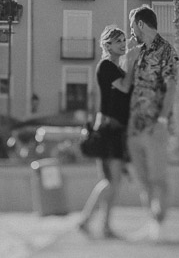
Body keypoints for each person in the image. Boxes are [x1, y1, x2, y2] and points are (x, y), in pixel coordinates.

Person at [76, 25, 133, 238]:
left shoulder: (119, 70)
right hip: (109, 130)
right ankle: (87, 220)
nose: (123, 44)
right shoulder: (106, 66)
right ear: (107, 44)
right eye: (118, 41)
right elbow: (126, 88)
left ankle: (102, 225)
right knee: (111, 181)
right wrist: (134, 63)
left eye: (124, 40)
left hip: (117, 131)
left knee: (112, 182)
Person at [127, 5, 178, 241]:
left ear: (140, 24)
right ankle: (151, 222)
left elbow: (171, 88)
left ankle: (160, 225)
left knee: (158, 179)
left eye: (132, 27)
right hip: (134, 126)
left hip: (154, 125)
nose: (131, 33)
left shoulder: (167, 50)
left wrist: (162, 119)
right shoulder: (137, 52)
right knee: (142, 181)